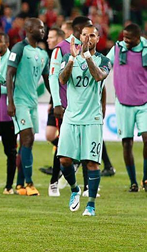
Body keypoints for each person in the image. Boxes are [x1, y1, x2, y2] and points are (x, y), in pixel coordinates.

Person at [58, 25, 111, 216]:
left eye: (92, 35)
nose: (88, 38)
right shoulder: (68, 58)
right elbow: (63, 80)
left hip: (92, 118)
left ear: (98, 38)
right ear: (79, 38)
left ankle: (91, 205)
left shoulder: (104, 60)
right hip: (71, 117)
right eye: (85, 35)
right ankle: (74, 189)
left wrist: (87, 56)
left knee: (92, 163)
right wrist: (72, 58)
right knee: (64, 160)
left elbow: (98, 76)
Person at [6, 18, 50, 196]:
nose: (43, 30)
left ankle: (19, 184)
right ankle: (29, 183)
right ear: (29, 29)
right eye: (40, 27)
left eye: (43, 27)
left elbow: (47, 79)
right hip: (20, 101)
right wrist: (11, 101)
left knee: (26, 143)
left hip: (33, 102)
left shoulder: (43, 54)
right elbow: (9, 74)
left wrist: (55, 98)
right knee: (28, 138)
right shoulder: (19, 48)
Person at [106, 24, 147, 192]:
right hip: (123, 103)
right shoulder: (117, 49)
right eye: (124, 37)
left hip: (144, 102)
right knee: (127, 143)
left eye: (129, 38)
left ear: (138, 38)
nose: (125, 40)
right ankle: (133, 182)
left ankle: (146, 179)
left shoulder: (146, 50)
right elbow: (104, 65)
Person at [0, 32, 17, 195]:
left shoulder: (13, 60)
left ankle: (9, 186)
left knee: (11, 151)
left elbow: (13, 84)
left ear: (6, 43)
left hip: (8, 114)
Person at [42, 26, 65, 196]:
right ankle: (70, 154)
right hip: (56, 103)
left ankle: (54, 182)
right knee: (51, 135)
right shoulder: (52, 55)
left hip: (66, 105)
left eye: (50, 37)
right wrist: (52, 100)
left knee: (62, 142)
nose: (48, 40)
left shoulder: (63, 54)